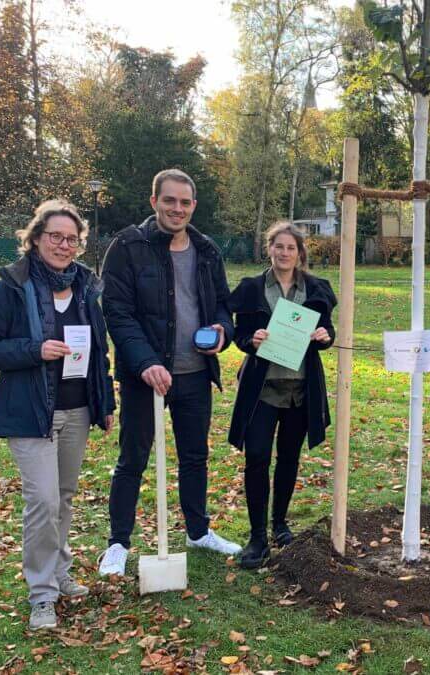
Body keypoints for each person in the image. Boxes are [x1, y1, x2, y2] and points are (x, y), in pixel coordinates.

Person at [0, 199, 115, 631]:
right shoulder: (9, 288)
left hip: (77, 409)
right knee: (43, 502)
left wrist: (104, 403)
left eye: (72, 239)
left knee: (64, 498)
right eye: (55, 236)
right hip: (31, 411)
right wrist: (34, 351)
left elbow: (98, 350)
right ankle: (41, 595)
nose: (64, 245)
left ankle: (59, 573)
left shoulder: (87, 287)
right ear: (34, 238)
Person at [98, 169, 240, 576]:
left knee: (195, 456)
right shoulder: (128, 246)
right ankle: (118, 544)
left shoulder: (206, 249)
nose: (177, 209)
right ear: (154, 201)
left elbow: (221, 306)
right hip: (146, 376)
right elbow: (118, 313)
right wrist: (146, 363)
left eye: (185, 202)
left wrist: (222, 331)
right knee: (133, 457)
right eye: (170, 201)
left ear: (193, 205)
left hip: (195, 374)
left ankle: (198, 531)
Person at [227, 222, 336, 569]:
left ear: (300, 253)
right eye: (278, 246)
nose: (284, 253)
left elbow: (328, 331)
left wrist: (324, 335)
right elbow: (239, 334)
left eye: (291, 248)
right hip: (262, 388)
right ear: (269, 249)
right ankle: (257, 536)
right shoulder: (252, 289)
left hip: (300, 390)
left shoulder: (316, 289)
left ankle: (280, 523)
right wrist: (250, 340)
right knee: (257, 456)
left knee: (289, 458)